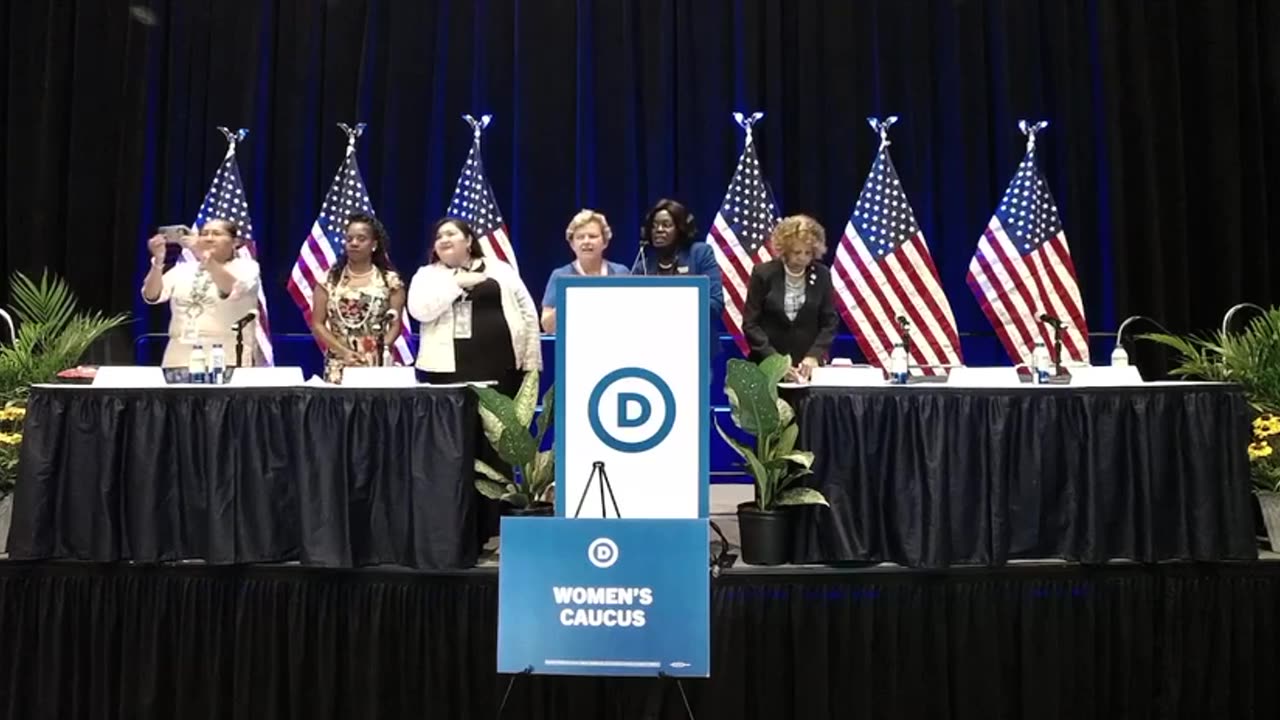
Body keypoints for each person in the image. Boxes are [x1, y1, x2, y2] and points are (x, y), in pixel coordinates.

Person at [407, 216, 541, 394]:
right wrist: (455, 284)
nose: (444, 239)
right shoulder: (426, 275)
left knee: (500, 420)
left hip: (502, 365)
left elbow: (528, 313)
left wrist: (531, 362)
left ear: (469, 240)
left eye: (450, 234)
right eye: (439, 237)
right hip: (447, 371)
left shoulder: (500, 269)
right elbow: (419, 311)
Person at [141, 219, 261, 368]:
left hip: (225, 356)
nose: (209, 238)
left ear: (235, 242)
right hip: (179, 356)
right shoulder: (183, 269)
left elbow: (230, 289)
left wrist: (202, 254)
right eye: (204, 234)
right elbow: (151, 295)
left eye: (217, 234)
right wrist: (158, 261)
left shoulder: (247, 268)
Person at [308, 213, 405, 383]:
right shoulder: (328, 281)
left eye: (361, 239)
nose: (354, 243)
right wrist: (343, 352)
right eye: (349, 239)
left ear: (374, 245)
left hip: (377, 364)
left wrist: (378, 350)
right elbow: (317, 324)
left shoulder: (391, 282)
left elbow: (396, 325)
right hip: (340, 363)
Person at [741, 214, 838, 382]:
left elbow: (829, 322)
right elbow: (751, 324)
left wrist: (814, 356)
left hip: (806, 370)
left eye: (808, 252)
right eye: (797, 252)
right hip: (766, 369)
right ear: (784, 249)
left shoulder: (822, 275)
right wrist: (776, 362)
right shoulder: (763, 274)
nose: (802, 257)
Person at [632, 198, 725, 353]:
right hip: (654, 349)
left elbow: (715, 304)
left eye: (666, 225)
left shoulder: (699, 254)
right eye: (654, 226)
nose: (659, 230)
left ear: (681, 228)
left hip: (697, 348)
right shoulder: (643, 266)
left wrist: (669, 306)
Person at [541, 209, 630, 333]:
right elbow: (547, 327)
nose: (586, 241)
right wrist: (565, 302)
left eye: (592, 236)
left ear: (605, 242)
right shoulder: (560, 276)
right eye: (580, 237)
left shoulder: (621, 273)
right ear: (572, 244)